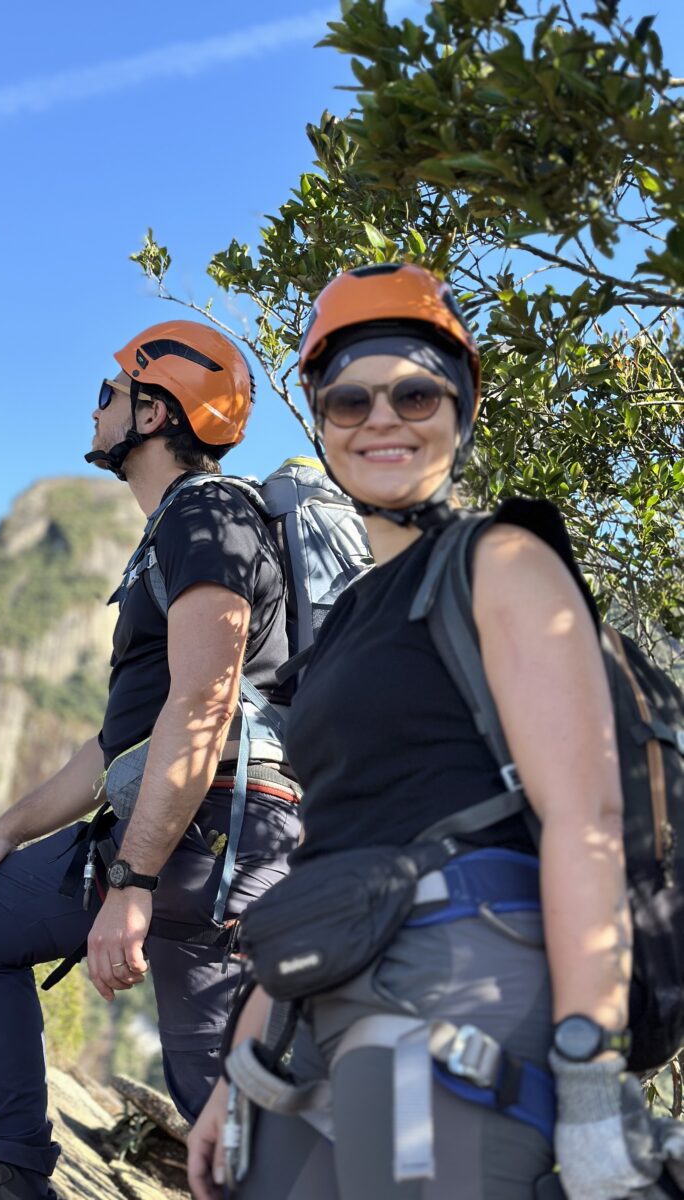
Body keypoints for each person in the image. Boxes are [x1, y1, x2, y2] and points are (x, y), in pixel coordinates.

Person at [188, 264, 649, 1200]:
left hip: (448, 984)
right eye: (350, 398)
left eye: (415, 392)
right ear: (319, 416)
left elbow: (585, 817)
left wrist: (592, 1068)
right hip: (328, 994)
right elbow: (335, 847)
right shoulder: (352, 615)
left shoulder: (500, 560)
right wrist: (237, 1069)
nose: (382, 418)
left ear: (461, 406)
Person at [0, 319, 300, 1200]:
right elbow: (116, 746)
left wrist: (133, 883)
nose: (97, 404)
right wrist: (3, 830)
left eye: (112, 392)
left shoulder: (206, 514)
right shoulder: (182, 531)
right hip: (229, 840)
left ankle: (14, 1179)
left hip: (201, 840)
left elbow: (204, 701)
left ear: (157, 411)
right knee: (225, 1119)